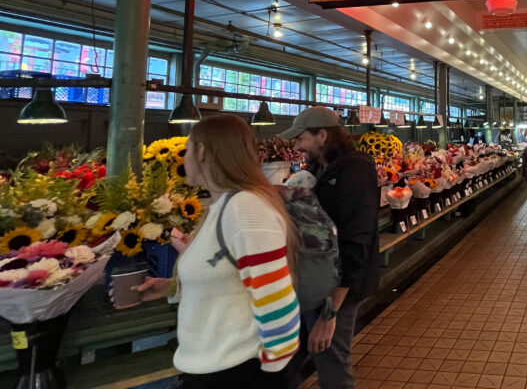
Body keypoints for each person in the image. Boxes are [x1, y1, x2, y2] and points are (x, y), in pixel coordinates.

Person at [123, 116, 300, 388]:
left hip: (238, 372)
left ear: (203, 150)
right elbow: (232, 279)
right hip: (214, 368)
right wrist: (173, 288)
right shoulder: (223, 206)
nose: (184, 159)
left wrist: (271, 369)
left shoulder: (245, 208)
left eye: (188, 149)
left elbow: (276, 297)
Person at [282, 107, 379, 389]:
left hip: (341, 286)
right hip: (315, 277)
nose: (297, 146)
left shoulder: (356, 168)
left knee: (331, 356)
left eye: (300, 139)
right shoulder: (315, 168)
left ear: (321, 135)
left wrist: (331, 311)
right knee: (300, 353)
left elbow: (356, 238)